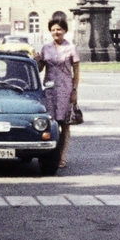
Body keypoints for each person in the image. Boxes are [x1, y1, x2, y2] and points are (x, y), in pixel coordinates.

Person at [40, 12, 80, 169]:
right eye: (54, 30)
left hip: (65, 89)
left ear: (65, 31)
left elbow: (76, 72)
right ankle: (51, 155)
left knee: (65, 124)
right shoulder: (46, 48)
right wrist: (37, 61)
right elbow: (41, 68)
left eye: (59, 29)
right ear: (50, 31)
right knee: (50, 123)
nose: (56, 32)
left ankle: (62, 157)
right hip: (49, 89)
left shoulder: (71, 48)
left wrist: (74, 90)